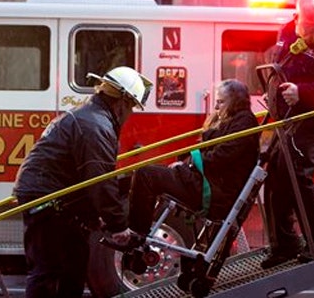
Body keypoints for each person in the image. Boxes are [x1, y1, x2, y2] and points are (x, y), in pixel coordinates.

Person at [13, 66, 153, 298]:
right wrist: (118, 225)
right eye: (131, 108)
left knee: (74, 266)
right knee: (48, 270)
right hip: (47, 200)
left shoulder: (90, 117)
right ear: (121, 103)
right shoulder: (95, 126)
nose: (130, 115)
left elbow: (84, 178)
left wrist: (92, 217)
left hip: (54, 197)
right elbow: (99, 180)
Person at [106, 79, 259, 250]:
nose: (216, 107)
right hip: (209, 183)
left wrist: (187, 165)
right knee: (142, 174)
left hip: (215, 191)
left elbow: (221, 156)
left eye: (221, 102)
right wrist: (184, 162)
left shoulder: (245, 122)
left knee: (145, 174)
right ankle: (129, 228)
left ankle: (136, 235)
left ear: (235, 101)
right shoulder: (234, 120)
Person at [260, 0, 314, 269]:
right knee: (274, 173)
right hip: (289, 121)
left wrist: (303, 92)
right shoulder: (286, 31)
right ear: (297, 18)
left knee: (296, 171)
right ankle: (284, 244)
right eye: (310, 24)